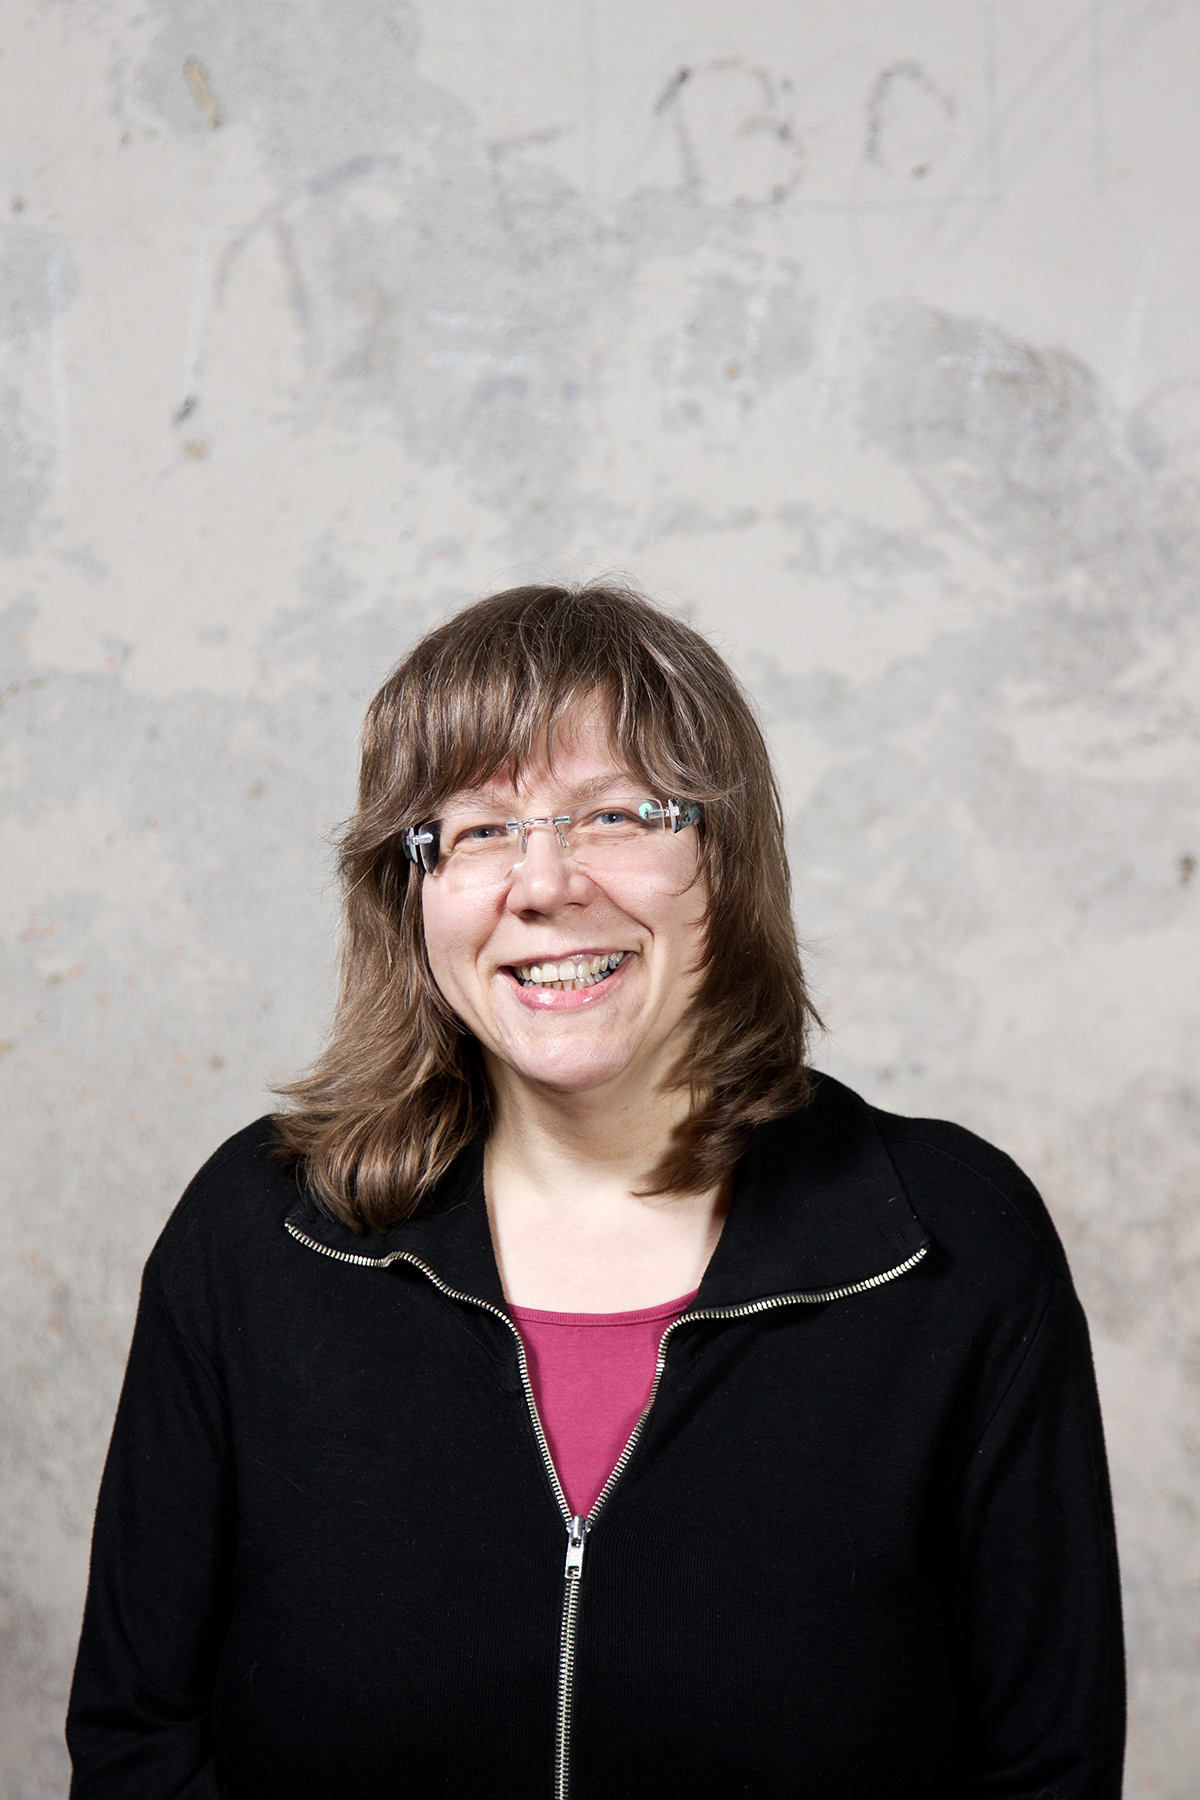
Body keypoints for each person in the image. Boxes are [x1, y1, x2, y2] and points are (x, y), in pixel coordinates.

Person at [66, 581, 1125, 1799]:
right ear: (411, 894)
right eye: (476, 830)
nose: (544, 882)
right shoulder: (259, 1237)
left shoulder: (953, 1246)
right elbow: (139, 1742)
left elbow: (1045, 1773)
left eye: (616, 815)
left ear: (723, 856)